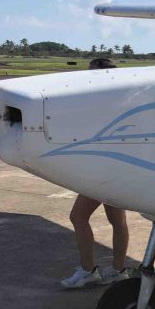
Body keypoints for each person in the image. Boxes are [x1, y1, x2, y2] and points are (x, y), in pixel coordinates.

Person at [60, 58, 133, 289]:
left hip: (104, 170)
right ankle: (119, 269)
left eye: (93, 74)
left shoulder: (101, 103)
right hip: (119, 168)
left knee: (78, 217)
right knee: (117, 221)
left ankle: (88, 269)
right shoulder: (121, 100)